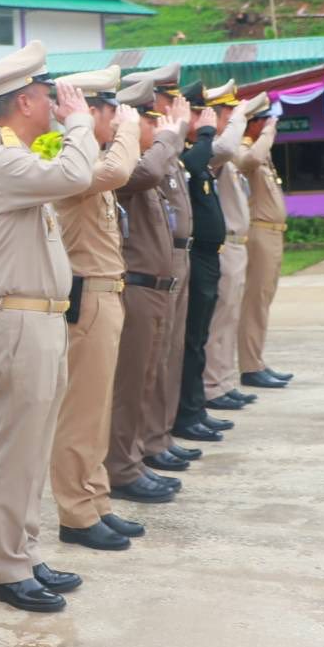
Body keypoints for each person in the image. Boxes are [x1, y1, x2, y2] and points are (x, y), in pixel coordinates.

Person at [0, 40, 95, 613]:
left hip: (36, 320)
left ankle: (25, 550)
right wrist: (81, 123)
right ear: (23, 102)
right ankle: (6, 568)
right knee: (16, 450)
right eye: (46, 95)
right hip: (16, 323)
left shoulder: (14, 158)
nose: (54, 104)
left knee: (34, 447)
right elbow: (77, 172)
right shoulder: (0, 159)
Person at [48, 67, 145, 552]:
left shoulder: (90, 161)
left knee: (97, 410)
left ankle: (96, 501)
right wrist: (131, 130)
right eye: (111, 112)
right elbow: (120, 171)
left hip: (106, 294)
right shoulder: (71, 164)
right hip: (87, 297)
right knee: (80, 413)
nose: (117, 119)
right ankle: (76, 512)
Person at [107, 80, 192, 505]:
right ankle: (122, 467)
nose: (156, 128)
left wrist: (164, 142)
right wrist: (168, 139)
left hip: (153, 283)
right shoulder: (121, 162)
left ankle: (135, 458)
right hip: (135, 285)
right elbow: (147, 173)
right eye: (149, 120)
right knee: (130, 384)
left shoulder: (144, 160)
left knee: (146, 377)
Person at [123, 64, 204, 478]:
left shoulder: (159, 148)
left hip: (171, 257)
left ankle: (158, 437)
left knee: (166, 355)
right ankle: (142, 447)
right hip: (149, 265)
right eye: (156, 110)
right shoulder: (137, 155)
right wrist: (173, 135)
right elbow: (149, 174)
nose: (166, 116)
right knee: (145, 366)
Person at [173, 82, 231, 444]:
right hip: (194, 256)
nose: (206, 120)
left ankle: (196, 409)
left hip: (208, 256)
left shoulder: (196, 152)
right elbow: (193, 164)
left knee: (200, 338)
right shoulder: (184, 153)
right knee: (191, 340)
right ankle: (186, 414)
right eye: (200, 114)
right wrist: (207, 132)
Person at [202, 85, 260, 412]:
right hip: (226, 244)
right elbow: (224, 149)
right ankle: (212, 385)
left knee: (230, 318)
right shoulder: (213, 149)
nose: (233, 121)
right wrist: (239, 118)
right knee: (220, 320)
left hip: (238, 244)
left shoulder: (227, 151)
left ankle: (224, 381)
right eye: (227, 114)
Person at [238, 98, 294, 389]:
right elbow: (249, 161)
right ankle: (250, 366)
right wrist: (268, 134)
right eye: (265, 120)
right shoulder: (244, 149)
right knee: (255, 302)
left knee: (263, 300)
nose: (271, 125)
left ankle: (256, 360)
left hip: (272, 233)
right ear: (253, 124)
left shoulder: (261, 152)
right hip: (259, 233)